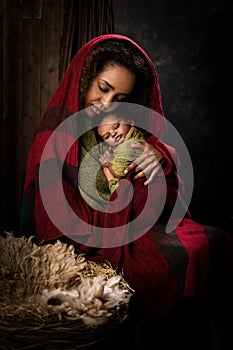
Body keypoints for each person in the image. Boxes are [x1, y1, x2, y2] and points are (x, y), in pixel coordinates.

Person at [19, 34, 233, 349]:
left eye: (120, 98)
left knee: (216, 243)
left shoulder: (120, 127)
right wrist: (121, 183)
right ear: (83, 81)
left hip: (141, 230)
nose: (107, 105)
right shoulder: (54, 136)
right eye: (102, 89)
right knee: (180, 264)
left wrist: (158, 152)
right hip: (92, 245)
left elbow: (157, 178)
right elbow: (63, 228)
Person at [97, 110, 147, 195]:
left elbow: (120, 172)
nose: (112, 133)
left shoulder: (129, 145)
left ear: (130, 122)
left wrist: (108, 163)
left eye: (116, 126)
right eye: (107, 136)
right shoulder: (135, 136)